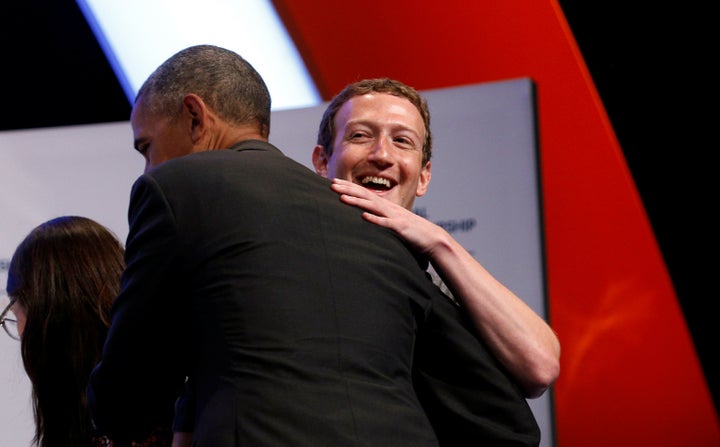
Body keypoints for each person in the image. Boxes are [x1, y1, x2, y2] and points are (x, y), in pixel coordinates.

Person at [87, 44, 454, 446]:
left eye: (147, 146)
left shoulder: (175, 187)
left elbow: (126, 399)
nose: (150, 166)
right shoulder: (378, 224)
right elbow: (504, 410)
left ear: (195, 118)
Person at [311, 78, 561, 442]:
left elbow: (540, 365)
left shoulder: (436, 277)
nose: (382, 155)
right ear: (322, 161)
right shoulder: (295, 258)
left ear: (424, 175)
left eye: (402, 141)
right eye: (361, 136)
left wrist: (439, 241)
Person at [2, 216, 171, 447]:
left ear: (50, 326)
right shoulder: (172, 412)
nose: (21, 335)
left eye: (15, 314)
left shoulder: (110, 433)